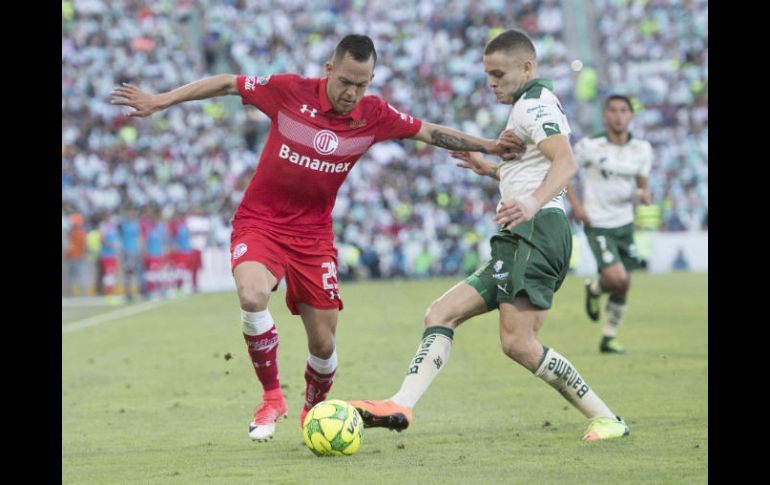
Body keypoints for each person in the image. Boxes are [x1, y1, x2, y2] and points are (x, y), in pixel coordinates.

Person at [111, 34, 521, 442]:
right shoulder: (289, 92)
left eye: (362, 84)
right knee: (253, 296)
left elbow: (429, 132)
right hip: (262, 223)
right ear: (329, 70)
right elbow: (227, 82)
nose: (352, 92)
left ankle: (314, 410)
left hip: (314, 237)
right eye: (346, 81)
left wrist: (488, 145)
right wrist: (162, 99)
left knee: (323, 345)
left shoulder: (373, 114)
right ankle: (272, 397)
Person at [349, 29, 630, 442]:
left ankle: (606, 418)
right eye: (487, 75)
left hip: (538, 230)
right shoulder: (527, 106)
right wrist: (490, 169)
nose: (491, 82)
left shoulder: (533, 106)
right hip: (521, 234)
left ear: (527, 67)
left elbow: (566, 163)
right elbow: (534, 166)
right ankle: (402, 404)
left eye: (498, 73)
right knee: (440, 314)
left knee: (518, 342)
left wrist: (532, 202)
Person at [566, 95, 653, 354]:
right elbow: (565, 172)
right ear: (605, 116)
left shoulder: (642, 149)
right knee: (616, 277)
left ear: (631, 116)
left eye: (623, 111)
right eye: (613, 110)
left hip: (624, 223)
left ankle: (608, 338)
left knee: (624, 283)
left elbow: (642, 186)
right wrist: (577, 206)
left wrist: (643, 198)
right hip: (598, 221)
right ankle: (595, 289)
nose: (618, 115)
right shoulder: (589, 146)